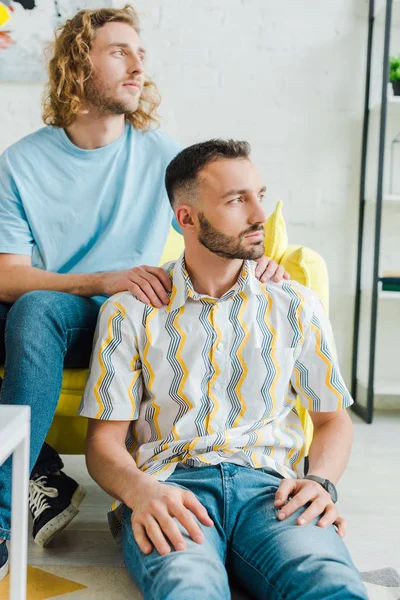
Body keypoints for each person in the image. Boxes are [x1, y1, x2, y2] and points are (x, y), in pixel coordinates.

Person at [0, 6, 285, 582]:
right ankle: (41, 471)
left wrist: (261, 262)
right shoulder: (21, 162)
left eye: (140, 52)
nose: (138, 65)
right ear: (77, 67)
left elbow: (219, 216)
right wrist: (103, 278)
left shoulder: (161, 155)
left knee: (33, 311)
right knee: (34, 309)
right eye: (118, 51)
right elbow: (7, 273)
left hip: (125, 317)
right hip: (65, 312)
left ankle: (1, 519)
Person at [81, 139, 368, 600]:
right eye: (237, 200)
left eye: (259, 193)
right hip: (170, 486)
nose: (259, 214)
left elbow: (332, 419)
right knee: (189, 589)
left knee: (330, 586)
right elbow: (103, 443)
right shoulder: (129, 311)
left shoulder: (294, 302)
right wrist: (141, 493)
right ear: (188, 218)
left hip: (275, 490)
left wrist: (321, 482)